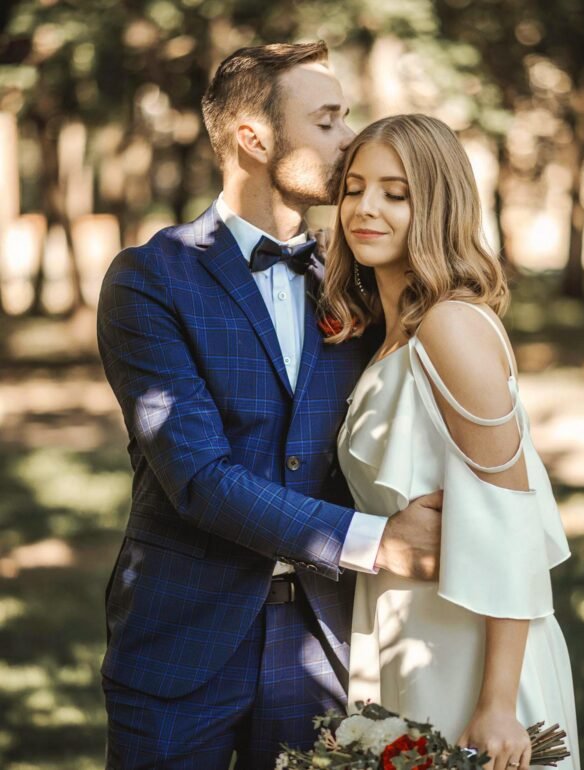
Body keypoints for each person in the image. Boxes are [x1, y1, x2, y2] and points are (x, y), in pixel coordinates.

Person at [97, 44, 443, 770]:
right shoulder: (151, 281)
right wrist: (378, 541)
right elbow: (198, 477)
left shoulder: (353, 281)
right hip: (180, 641)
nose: (349, 139)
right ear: (255, 139)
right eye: (327, 121)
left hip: (323, 647)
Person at [322, 113, 580, 770]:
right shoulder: (390, 334)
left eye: (395, 192)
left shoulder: (450, 326)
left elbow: (511, 518)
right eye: (353, 188)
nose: (365, 208)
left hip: (472, 656)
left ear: (436, 204)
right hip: (409, 634)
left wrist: (497, 704)